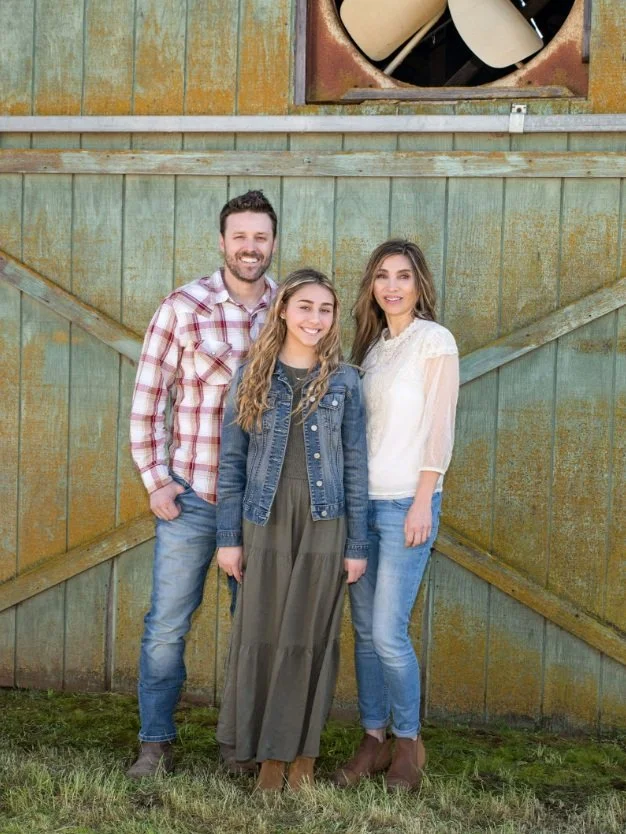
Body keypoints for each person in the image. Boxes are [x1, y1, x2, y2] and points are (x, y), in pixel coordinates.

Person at [127, 190, 279, 778]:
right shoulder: (183, 306)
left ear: (272, 242)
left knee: (255, 632)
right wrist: (156, 481)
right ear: (222, 241)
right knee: (166, 625)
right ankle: (155, 742)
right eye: (240, 237)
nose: (250, 247)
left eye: (260, 237)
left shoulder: (288, 308)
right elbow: (149, 399)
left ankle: (243, 747)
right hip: (192, 499)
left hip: (259, 507)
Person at [215, 268, 369, 791]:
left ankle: (297, 755)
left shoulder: (345, 380)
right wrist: (227, 538)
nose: (315, 319)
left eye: (325, 309)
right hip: (264, 517)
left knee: (309, 637)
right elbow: (230, 463)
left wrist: (357, 545)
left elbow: (355, 464)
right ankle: (258, 752)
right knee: (259, 632)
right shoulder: (252, 376)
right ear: (282, 309)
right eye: (305, 306)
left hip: (326, 521)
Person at [333, 239, 459, 792]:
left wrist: (422, 499)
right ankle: (373, 738)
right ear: (372, 286)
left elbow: (439, 426)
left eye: (403, 276)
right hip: (362, 505)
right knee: (364, 634)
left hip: (407, 502)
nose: (392, 286)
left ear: (419, 284)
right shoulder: (376, 349)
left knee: (388, 633)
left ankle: (409, 742)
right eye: (382, 276)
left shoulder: (435, 341)